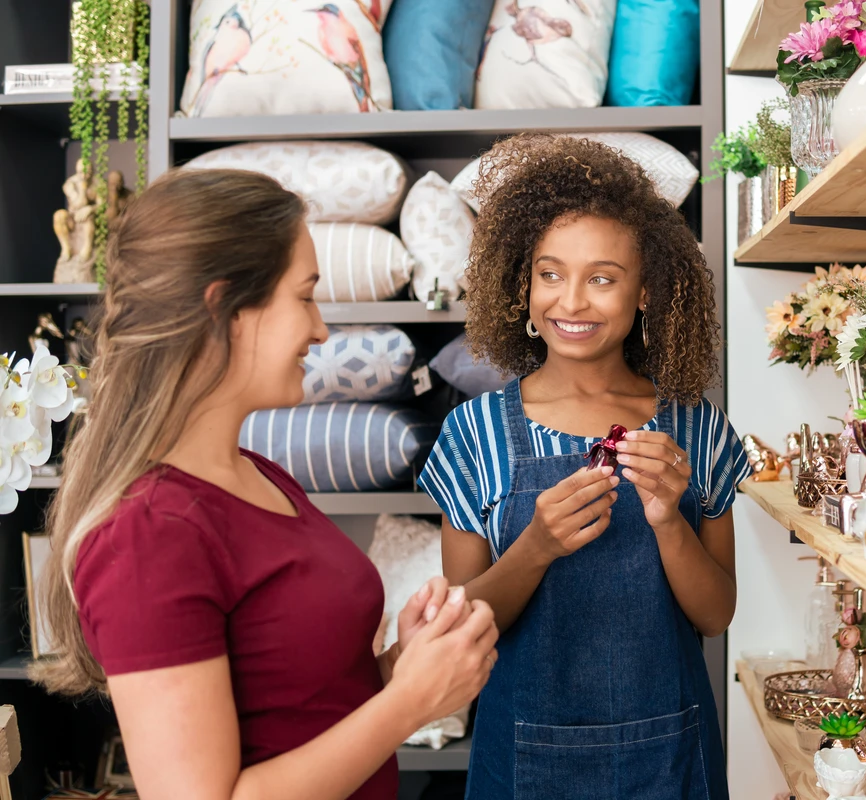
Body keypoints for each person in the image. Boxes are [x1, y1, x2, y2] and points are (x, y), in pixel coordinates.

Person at [34, 169, 499, 800]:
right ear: (223, 308)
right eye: (304, 297)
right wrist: (410, 704)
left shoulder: (259, 475)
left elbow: (304, 707)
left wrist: (399, 669)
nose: (321, 330)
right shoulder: (146, 533)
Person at [418, 134, 752, 799]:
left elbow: (716, 614)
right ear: (523, 283)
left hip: (672, 759)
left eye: (602, 278)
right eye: (550, 273)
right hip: (524, 763)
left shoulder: (696, 430)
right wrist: (535, 547)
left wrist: (667, 521)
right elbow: (462, 624)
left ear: (647, 291)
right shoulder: (473, 433)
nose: (570, 301)